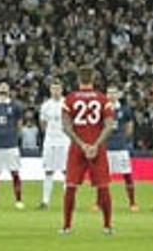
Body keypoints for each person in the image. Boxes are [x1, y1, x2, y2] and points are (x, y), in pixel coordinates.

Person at [59, 69, 115, 235]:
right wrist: (95, 145)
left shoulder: (70, 99)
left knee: (70, 186)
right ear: (94, 78)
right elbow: (109, 125)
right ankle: (107, 226)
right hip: (97, 147)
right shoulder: (103, 99)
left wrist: (82, 144)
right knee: (103, 187)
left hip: (77, 147)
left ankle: (67, 226)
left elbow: (66, 126)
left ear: (78, 79)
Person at [38, 79, 69, 209]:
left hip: (65, 141)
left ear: (62, 90)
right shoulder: (46, 106)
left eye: (58, 89)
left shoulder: (67, 104)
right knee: (48, 171)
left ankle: (68, 200)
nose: (56, 91)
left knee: (66, 171)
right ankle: (45, 201)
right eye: (53, 89)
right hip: (50, 141)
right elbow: (43, 124)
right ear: (50, 90)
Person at [106, 86, 137, 211]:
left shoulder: (125, 109)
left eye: (114, 93)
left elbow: (130, 126)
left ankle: (132, 202)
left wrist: (124, 139)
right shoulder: (102, 109)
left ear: (118, 95)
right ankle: (99, 202)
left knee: (127, 174)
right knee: (102, 176)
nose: (111, 95)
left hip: (120, 146)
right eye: (109, 93)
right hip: (106, 147)